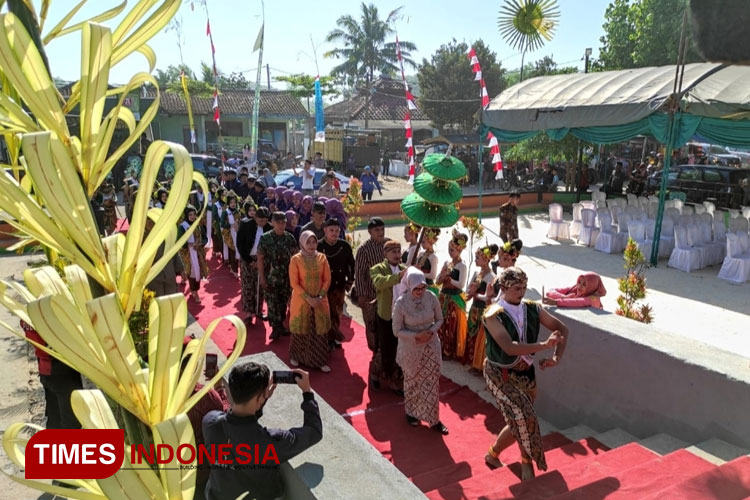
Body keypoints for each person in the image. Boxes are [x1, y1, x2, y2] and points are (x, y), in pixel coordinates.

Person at [483, 267, 568, 481]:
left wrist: (556, 357)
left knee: (517, 418)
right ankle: (526, 463)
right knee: (524, 417)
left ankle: (492, 454)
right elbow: (509, 347)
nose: (522, 291)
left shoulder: (533, 308)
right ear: (504, 288)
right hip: (499, 373)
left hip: (526, 373)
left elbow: (562, 329)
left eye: (524, 286)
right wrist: (544, 345)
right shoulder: (492, 314)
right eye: (517, 288)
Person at [203, 363, 322, 500]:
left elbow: (234, 419)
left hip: (217, 495)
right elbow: (314, 431)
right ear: (258, 398)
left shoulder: (209, 422)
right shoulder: (270, 441)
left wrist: (260, 401)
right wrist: (307, 393)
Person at [392, 269, 449, 434]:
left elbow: (440, 319)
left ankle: (434, 419)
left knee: (431, 384)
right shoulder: (401, 303)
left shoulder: (431, 297)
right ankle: (411, 413)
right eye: (417, 288)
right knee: (412, 381)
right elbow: (397, 330)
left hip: (430, 346)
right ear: (409, 286)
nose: (420, 292)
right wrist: (416, 335)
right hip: (410, 348)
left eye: (423, 287)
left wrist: (430, 332)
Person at [22, 320, 83, 430]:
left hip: (47, 371)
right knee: (71, 422)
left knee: (55, 418)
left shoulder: (28, 315)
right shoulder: (46, 314)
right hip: (62, 371)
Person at [288, 231, 332, 372]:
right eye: (308, 242)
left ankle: (319, 360)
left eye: (314, 242)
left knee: (319, 331)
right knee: (301, 328)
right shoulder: (296, 259)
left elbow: (327, 279)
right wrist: (308, 298)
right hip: (302, 301)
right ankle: (296, 356)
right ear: (302, 243)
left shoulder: (322, 258)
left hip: (320, 300)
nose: (312, 245)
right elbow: (294, 283)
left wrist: (319, 297)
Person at [369, 240, 407, 391]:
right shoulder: (377, 269)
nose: (397, 255)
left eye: (398, 252)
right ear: (385, 254)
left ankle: (394, 379)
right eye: (393, 252)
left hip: (401, 316)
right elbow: (379, 283)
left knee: (399, 348)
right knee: (385, 348)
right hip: (385, 315)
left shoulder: (405, 269)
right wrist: (399, 276)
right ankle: (376, 373)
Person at [354, 217, 387, 381]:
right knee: (372, 325)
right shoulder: (364, 249)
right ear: (370, 232)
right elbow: (359, 274)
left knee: (385, 326)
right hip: (370, 296)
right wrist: (361, 296)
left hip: (388, 295)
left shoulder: (390, 245)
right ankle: (375, 351)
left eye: (382, 229)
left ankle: (382, 353)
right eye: (376, 230)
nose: (380, 233)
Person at [258, 212, 299, 340]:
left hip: (286, 278)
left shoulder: (290, 238)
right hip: (271, 277)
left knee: (282, 303)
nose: (281, 225)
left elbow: (296, 257)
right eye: (278, 223)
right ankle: (275, 328)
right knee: (272, 303)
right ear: (272, 223)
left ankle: (280, 325)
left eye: (283, 223)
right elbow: (260, 258)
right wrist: (262, 277)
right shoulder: (265, 238)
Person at [318, 219, 355, 348]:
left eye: (337, 231)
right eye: (331, 230)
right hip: (323, 288)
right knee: (326, 314)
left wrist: (350, 281)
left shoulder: (344, 246)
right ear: (325, 231)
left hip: (339, 286)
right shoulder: (318, 246)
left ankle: (333, 338)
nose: (334, 233)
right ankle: (328, 339)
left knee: (337, 313)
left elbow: (351, 264)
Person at [463, 244, 498, 370]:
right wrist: (470, 290)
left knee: (480, 338)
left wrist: (476, 293)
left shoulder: (492, 277)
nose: (476, 260)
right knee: (471, 334)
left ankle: (479, 365)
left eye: (478, 257)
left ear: (486, 259)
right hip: (473, 308)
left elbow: (490, 297)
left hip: (483, 310)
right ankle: (471, 360)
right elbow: (468, 290)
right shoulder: (477, 273)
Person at [435, 231, 468, 360]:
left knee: (452, 325)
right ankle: (441, 348)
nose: (450, 252)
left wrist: (449, 279)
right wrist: (442, 276)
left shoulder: (462, 266)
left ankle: (450, 351)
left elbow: (461, 284)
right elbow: (438, 280)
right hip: (444, 298)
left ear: (459, 250)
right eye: (449, 249)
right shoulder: (447, 263)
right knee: (442, 324)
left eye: (453, 250)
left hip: (454, 299)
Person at [237, 206, 272, 322]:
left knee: (260, 286)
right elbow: (240, 245)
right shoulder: (245, 224)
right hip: (247, 259)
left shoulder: (269, 228)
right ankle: (248, 313)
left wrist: (261, 262)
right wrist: (249, 261)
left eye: (265, 220)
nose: (263, 223)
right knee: (247, 285)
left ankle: (258, 310)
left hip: (262, 260)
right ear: (255, 217)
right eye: (261, 220)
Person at [178, 205, 209, 303]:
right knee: (192, 272)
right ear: (186, 216)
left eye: (194, 214)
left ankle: (195, 289)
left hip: (198, 252)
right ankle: (194, 291)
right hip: (188, 253)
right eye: (190, 215)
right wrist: (188, 245)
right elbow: (179, 240)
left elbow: (205, 238)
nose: (192, 216)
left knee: (198, 271)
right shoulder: (182, 226)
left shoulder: (198, 225)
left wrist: (200, 243)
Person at [220, 192, 241, 278]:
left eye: (234, 202)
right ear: (228, 203)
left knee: (237, 251)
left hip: (237, 234)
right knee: (232, 251)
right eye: (231, 202)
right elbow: (222, 224)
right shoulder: (225, 212)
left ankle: (234, 268)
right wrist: (231, 225)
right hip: (229, 234)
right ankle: (235, 270)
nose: (233, 204)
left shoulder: (238, 212)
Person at [416, 228, 440, 295]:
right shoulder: (421, 253)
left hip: (428, 286)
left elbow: (433, 275)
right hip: (418, 283)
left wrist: (420, 273)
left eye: (423, 242)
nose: (421, 244)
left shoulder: (433, 257)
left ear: (430, 241)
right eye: (421, 242)